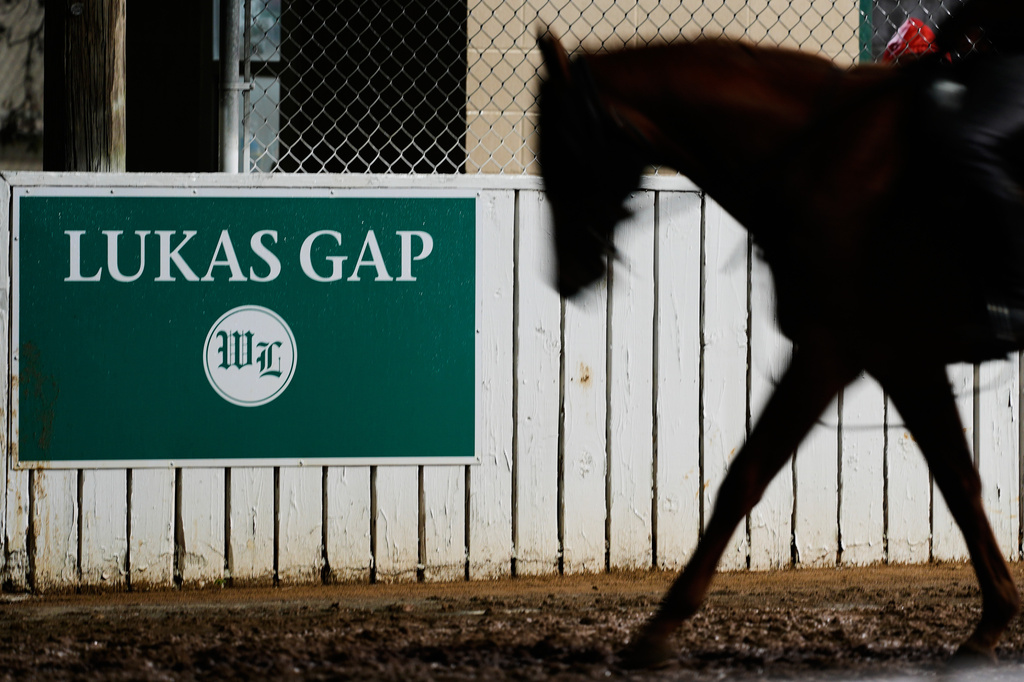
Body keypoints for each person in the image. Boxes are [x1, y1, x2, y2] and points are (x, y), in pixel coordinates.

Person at [926, 0, 1024, 340]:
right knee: (923, 99)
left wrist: (950, 36)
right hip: (1000, 56)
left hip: (1015, 60)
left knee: (972, 139)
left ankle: (1015, 297)